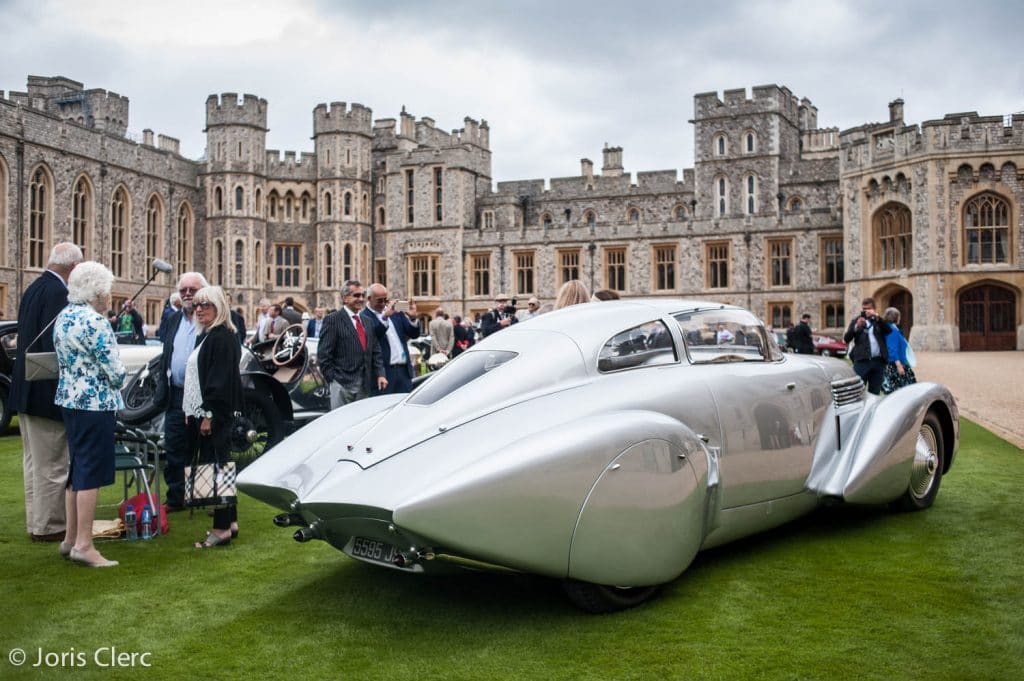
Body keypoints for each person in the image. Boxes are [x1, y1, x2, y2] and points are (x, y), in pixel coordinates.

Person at [53, 261, 127, 567]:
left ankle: (70, 538)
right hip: (94, 405)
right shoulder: (95, 322)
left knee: (77, 468)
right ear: (96, 291)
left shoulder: (64, 316)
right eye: (107, 289)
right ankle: (84, 544)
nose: (110, 295)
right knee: (90, 473)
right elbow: (116, 373)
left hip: (70, 402)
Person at [11, 242, 83, 543]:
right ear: (72, 268)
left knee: (34, 463)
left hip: (25, 390)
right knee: (53, 464)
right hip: (45, 391)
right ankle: (51, 526)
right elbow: (57, 346)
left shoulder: (33, 288)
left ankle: (37, 522)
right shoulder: (59, 294)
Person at [184, 286, 244, 548]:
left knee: (217, 468)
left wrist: (207, 415)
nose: (199, 310)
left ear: (218, 307)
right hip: (214, 412)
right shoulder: (213, 335)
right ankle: (230, 521)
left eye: (205, 305)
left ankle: (220, 529)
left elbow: (218, 383)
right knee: (224, 467)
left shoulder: (221, 337)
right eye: (196, 305)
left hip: (216, 413)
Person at [153, 271, 209, 511]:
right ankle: (177, 499)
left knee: (206, 448)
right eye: (183, 290)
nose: (187, 294)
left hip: (204, 396)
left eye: (192, 290)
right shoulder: (173, 320)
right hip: (176, 394)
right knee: (175, 448)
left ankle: (208, 498)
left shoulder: (210, 320)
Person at [318, 280, 387, 409]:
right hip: (342, 385)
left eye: (362, 295)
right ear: (345, 298)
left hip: (364, 385)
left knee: (360, 425)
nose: (361, 299)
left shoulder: (367, 321)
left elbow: (376, 351)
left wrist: (381, 374)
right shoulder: (333, 320)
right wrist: (334, 380)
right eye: (356, 295)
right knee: (341, 424)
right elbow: (324, 354)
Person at [362, 284, 420, 394]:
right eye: (380, 301)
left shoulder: (396, 312)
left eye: (386, 299)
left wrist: (412, 317)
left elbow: (413, 334)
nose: (383, 303)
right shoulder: (364, 316)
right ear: (369, 299)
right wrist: (385, 317)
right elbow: (372, 337)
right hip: (384, 374)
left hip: (403, 371)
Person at [844, 297, 892, 395]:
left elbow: (888, 330)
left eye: (868, 309)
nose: (866, 311)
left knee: (875, 392)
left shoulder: (878, 321)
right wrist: (856, 327)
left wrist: (877, 317)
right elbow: (846, 339)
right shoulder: (856, 321)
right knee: (857, 391)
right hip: (862, 361)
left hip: (878, 362)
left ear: (874, 309)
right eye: (864, 309)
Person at [881, 307, 916, 394]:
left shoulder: (892, 328)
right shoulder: (892, 330)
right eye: (898, 316)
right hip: (895, 365)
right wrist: (898, 365)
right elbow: (892, 348)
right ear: (895, 317)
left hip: (897, 363)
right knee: (902, 392)